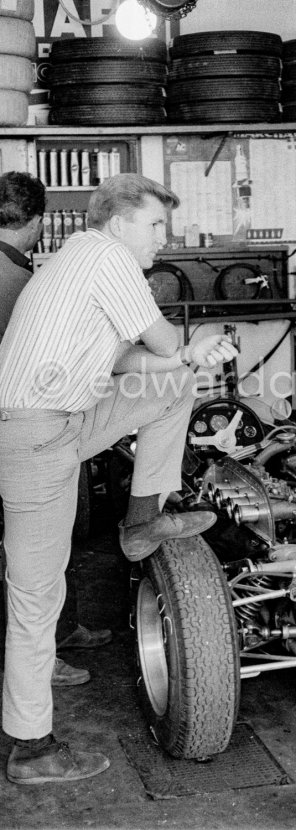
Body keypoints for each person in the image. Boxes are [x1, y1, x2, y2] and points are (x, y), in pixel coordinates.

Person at [0, 172, 238, 785]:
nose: (164, 238)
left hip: (60, 420)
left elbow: (126, 358)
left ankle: (140, 525)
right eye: (156, 224)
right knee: (36, 597)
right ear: (119, 220)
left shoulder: (77, 260)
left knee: (173, 387)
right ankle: (32, 748)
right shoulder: (106, 256)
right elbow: (162, 338)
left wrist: (182, 360)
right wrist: (194, 346)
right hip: (35, 436)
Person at [0, 171, 111, 689]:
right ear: (40, 223)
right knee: (32, 550)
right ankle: (41, 655)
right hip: (26, 427)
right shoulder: (20, 282)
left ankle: (60, 633)